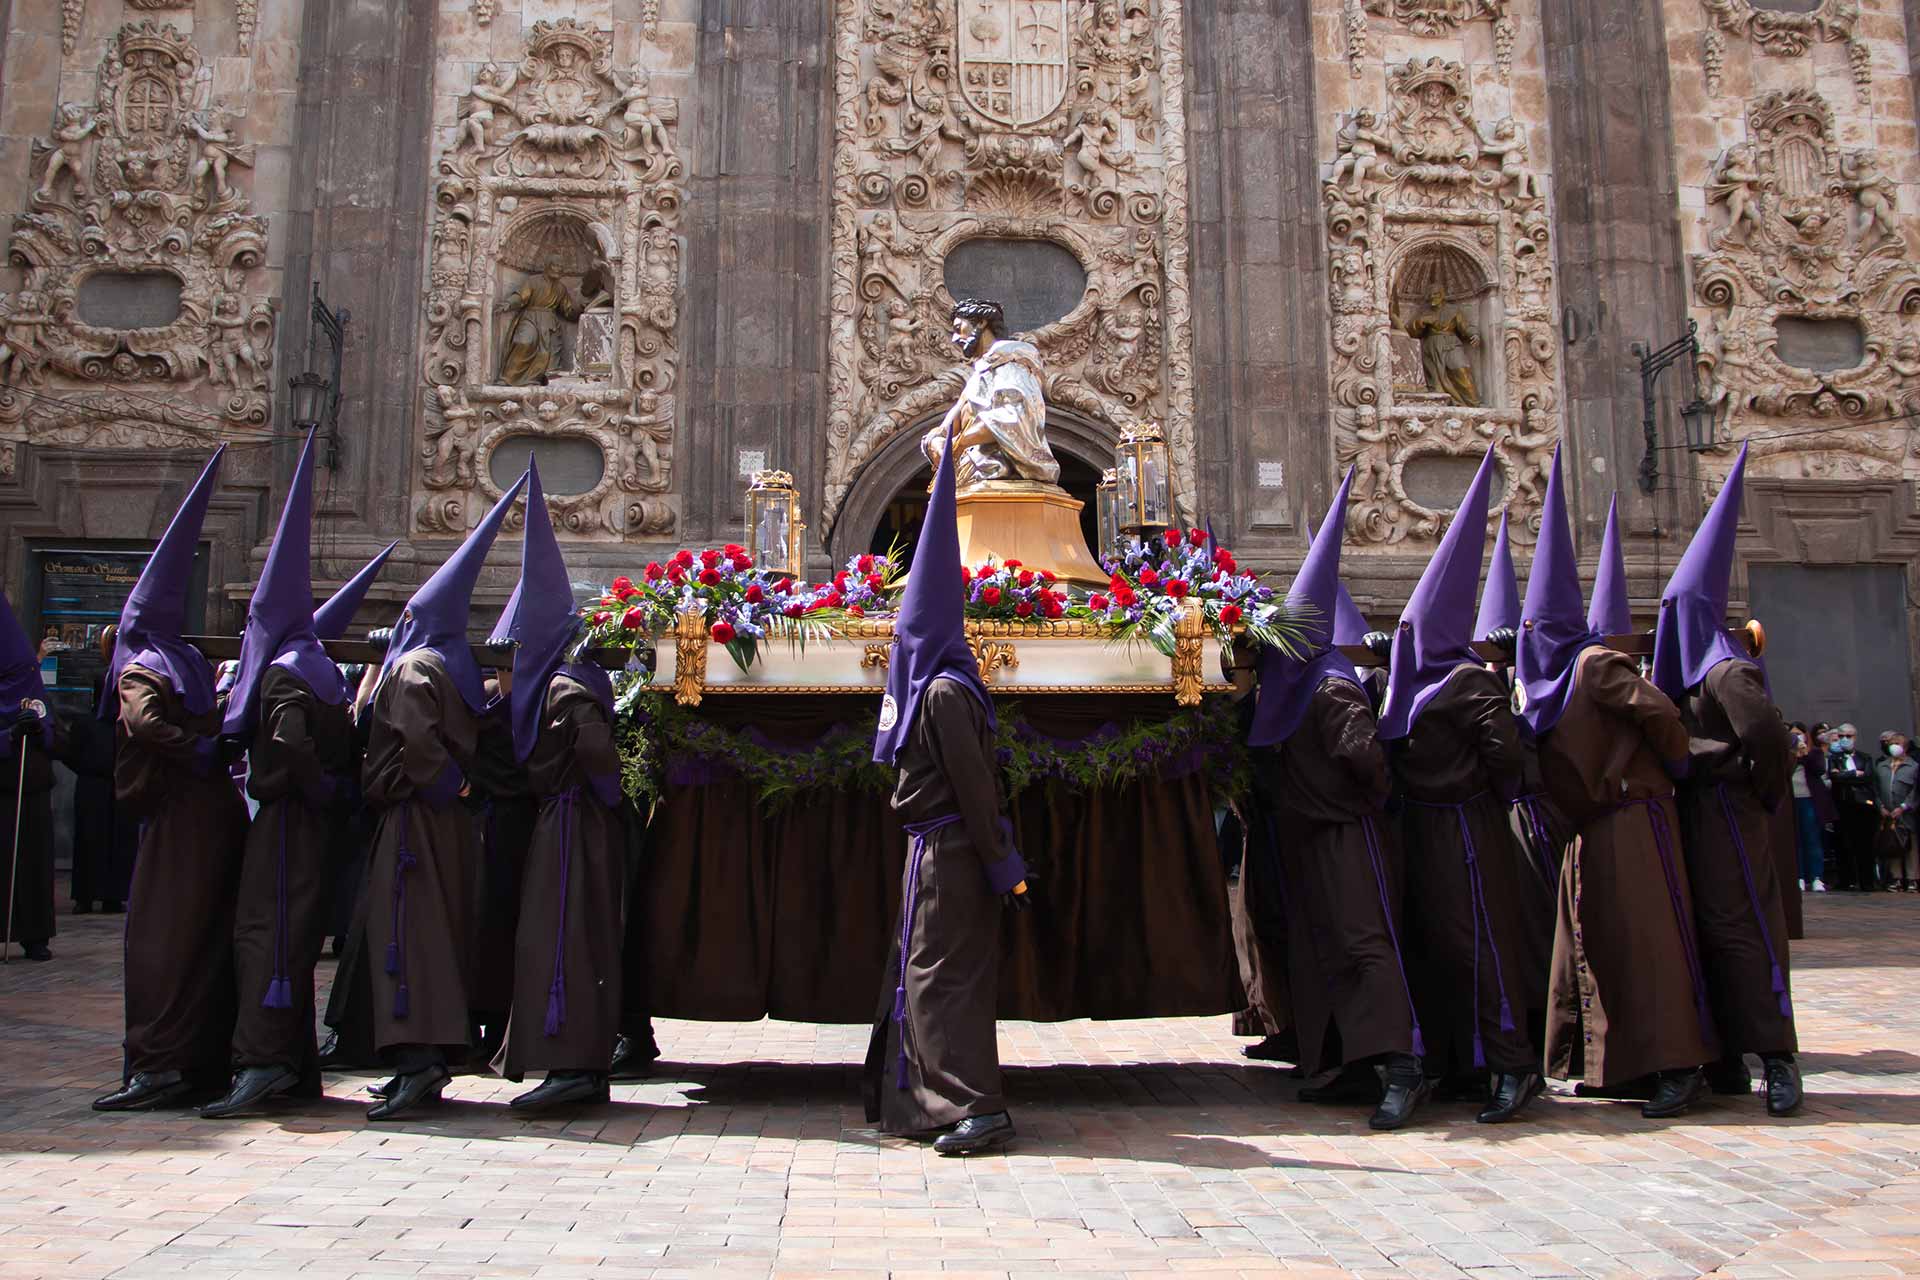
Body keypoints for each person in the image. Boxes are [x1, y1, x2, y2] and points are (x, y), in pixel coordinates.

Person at [1517, 447, 1719, 1118]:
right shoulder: (1545, 684)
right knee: (1599, 940)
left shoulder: (1596, 665)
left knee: (1648, 940)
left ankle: (1677, 1065)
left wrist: (1672, 766)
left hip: (1632, 815)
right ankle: (1621, 1064)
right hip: (1593, 824)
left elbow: (1658, 710)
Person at [1235, 469, 1430, 1130]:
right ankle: (1350, 1058)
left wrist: (1366, 807)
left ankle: (1402, 1065)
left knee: (1364, 944)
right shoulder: (1292, 689)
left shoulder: (1331, 687)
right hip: (1310, 834)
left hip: (1347, 833)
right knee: (1327, 947)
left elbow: (1363, 757)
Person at [863, 416, 1030, 1156]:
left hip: (954, 853)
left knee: (944, 979)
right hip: (937, 851)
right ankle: (927, 1095)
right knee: (929, 973)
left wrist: (1000, 864)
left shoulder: (943, 695)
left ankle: (975, 1105)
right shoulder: (941, 686)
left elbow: (975, 787)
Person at [203, 433, 382, 1118]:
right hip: (312, 820)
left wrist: (284, 783)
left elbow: (286, 747)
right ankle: (294, 1065)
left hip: (284, 822)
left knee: (267, 937)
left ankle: (265, 1061)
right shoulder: (317, 671)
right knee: (290, 938)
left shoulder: (283, 677)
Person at [1377, 448, 1547, 1124]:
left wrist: (1489, 799)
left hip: (1465, 828)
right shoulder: (1411, 683)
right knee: (1437, 945)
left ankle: (1511, 1064)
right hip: (1424, 828)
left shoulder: (1469, 679)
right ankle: (1458, 1060)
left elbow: (1504, 750)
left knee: (1479, 939)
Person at [359, 469, 529, 1120]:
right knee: (441, 932)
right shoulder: (455, 667)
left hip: (416, 822)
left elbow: (416, 742)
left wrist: (441, 784)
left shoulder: (411, 667)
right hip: (450, 824)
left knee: (411, 932)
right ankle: (421, 1059)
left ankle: (417, 1062)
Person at [94, 449, 252, 1112]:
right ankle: (199, 1060)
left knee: (159, 941)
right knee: (202, 938)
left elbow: (144, 723)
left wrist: (194, 749)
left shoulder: (143, 667)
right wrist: (211, 749)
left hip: (179, 818)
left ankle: (158, 1065)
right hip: (214, 813)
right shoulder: (186, 656)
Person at [1651, 443, 1801, 1117]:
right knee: (1708, 928)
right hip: (1699, 808)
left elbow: (1770, 741)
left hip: (1729, 810)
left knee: (1743, 928)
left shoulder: (1726, 673)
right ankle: (1728, 1059)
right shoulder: (1686, 677)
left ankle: (1778, 1056)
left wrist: (1755, 794)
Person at [491, 459, 628, 1112]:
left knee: (566, 933)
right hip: (575, 818)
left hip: (572, 824)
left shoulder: (567, 685)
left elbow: (596, 750)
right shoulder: (574, 680)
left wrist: (602, 797)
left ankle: (572, 1061)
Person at [59, 627, 136, 914]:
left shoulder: (122, 725)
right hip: (95, 786)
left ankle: (112, 894)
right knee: (91, 841)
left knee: (118, 842)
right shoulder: (88, 723)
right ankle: (87, 894)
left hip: (115, 785)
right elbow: (70, 752)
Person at [1, 587, 56, 962]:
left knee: (32, 864)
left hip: (28, 784)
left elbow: (49, 725)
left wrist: (37, 728)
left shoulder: (27, 678)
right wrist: (6, 735)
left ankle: (34, 934)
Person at [1827, 722, 1879, 891]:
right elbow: (1835, 777)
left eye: (1848, 736)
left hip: (1863, 806)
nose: (1844, 739)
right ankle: (1846, 880)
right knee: (1843, 844)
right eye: (1841, 736)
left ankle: (1867, 881)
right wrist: (1854, 774)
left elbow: (1868, 777)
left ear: (1854, 737)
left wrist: (1847, 776)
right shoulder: (1834, 758)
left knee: (1865, 845)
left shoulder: (1865, 757)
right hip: (1843, 805)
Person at [1787, 722, 1832, 893]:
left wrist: (1804, 754)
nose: (1797, 736)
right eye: (1793, 734)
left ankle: (1816, 877)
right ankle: (1799, 876)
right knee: (1795, 839)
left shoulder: (1814, 752)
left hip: (1808, 798)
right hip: (1792, 798)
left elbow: (1819, 769)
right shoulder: (1786, 754)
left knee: (1811, 838)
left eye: (1800, 733)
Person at [1874, 732, 1918, 891]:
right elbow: (1876, 789)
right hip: (1888, 813)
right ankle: (1896, 877)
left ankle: (1912, 877)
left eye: (1897, 743)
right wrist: (1881, 807)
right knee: (1892, 843)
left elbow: (1915, 791)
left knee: (1910, 844)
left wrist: (1904, 807)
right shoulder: (1882, 766)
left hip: (1906, 813)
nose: (1893, 746)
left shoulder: (1913, 767)